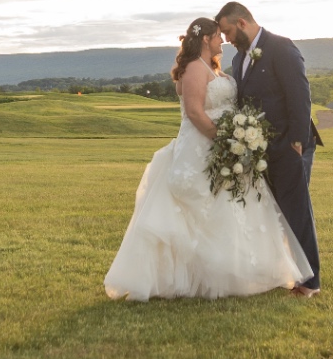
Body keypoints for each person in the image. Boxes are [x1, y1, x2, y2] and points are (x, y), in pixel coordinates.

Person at [103, 17, 313, 300]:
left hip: (226, 147)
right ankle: (207, 275)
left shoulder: (213, 67)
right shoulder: (192, 68)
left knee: (239, 205)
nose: (223, 41)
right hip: (205, 147)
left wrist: (237, 139)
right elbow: (194, 112)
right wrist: (224, 140)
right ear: (205, 39)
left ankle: (248, 271)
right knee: (208, 206)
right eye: (218, 36)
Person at [214, 1, 321, 297]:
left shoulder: (282, 48)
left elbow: (300, 95)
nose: (226, 39)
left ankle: (311, 282)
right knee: (272, 212)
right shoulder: (238, 61)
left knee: (295, 210)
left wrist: (298, 140)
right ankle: (285, 270)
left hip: (291, 144)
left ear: (243, 23)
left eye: (227, 31)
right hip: (259, 147)